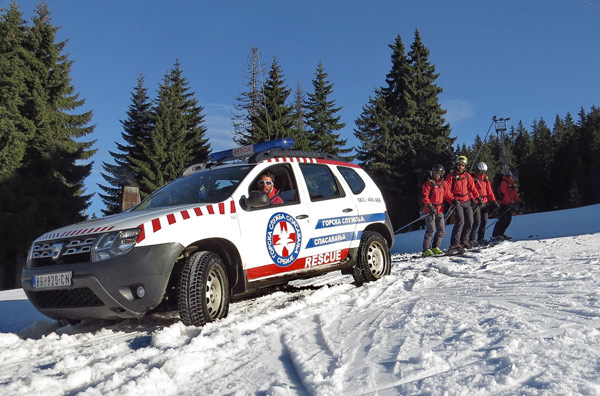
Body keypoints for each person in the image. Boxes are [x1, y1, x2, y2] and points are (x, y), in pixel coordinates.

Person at [445, 155, 481, 253]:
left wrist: (477, 197)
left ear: (465, 166)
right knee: (460, 221)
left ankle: (464, 241)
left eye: (463, 165)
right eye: (459, 165)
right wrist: (452, 200)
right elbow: (447, 190)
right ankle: (454, 244)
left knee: (470, 221)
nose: (461, 167)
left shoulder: (467, 175)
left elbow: (472, 187)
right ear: (456, 164)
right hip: (457, 201)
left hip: (467, 200)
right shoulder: (451, 176)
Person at [421, 164, 453, 256]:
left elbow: (447, 195)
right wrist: (430, 206)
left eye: (438, 173)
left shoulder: (443, 183)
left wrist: (453, 200)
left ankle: (435, 247)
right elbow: (424, 196)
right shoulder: (429, 183)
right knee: (431, 230)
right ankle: (426, 249)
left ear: (442, 173)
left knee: (442, 230)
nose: (436, 175)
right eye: (434, 173)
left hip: (439, 210)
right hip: (430, 210)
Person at [469, 162, 498, 246]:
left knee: (484, 221)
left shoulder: (485, 179)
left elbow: (489, 191)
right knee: (476, 221)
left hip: (484, 202)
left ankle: (481, 238)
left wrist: (493, 201)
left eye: (483, 172)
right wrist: (474, 200)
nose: (482, 173)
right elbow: (470, 190)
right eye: (481, 171)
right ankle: (472, 239)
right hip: (476, 202)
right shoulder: (473, 178)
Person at [491, 169, 521, 241]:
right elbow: (503, 194)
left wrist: (519, 201)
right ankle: (495, 235)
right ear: (510, 175)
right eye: (513, 177)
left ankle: (501, 234)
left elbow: (514, 194)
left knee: (508, 220)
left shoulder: (511, 183)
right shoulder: (504, 182)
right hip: (501, 204)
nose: (514, 178)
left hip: (508, 204)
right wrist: (509, 202)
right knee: (502, 220)